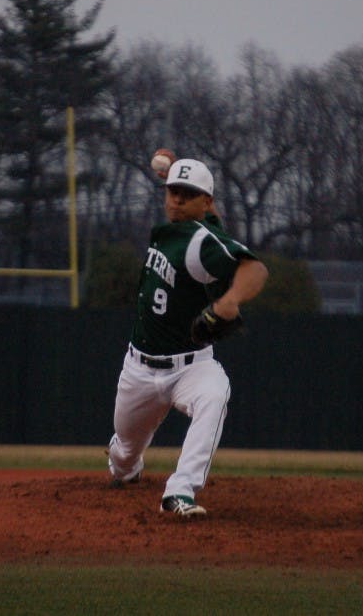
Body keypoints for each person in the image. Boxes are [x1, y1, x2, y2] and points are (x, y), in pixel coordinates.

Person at [107, 150, 269, 518]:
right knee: (124, 454)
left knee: (215, 395)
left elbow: (255, 270)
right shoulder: (181, 227)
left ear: (206, 201)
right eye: (172, 191)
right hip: (139, 368)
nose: (176, 199)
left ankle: (179, 492)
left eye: (187, 193)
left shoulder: (202, 242)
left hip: (190, 366)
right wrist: (180, 174)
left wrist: (229, 301)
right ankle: (127, 467)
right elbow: (202, 212)